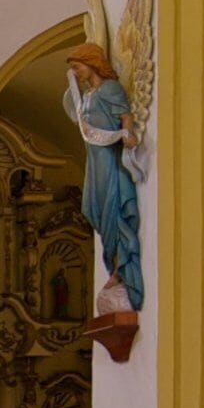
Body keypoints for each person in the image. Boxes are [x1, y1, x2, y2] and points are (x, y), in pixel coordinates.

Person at [68, 44, 143, 314]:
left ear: (91, 63)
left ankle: (120, 269)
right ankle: (113, 266)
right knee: (93, 210)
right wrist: (71, 84)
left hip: (110, 161)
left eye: (77, 67)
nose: (76, 72)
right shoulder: (87, 95)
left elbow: (125, 117)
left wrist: (128, 134)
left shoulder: (110, 89)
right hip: (94, 161)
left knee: (114, 212)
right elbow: (77, 115)